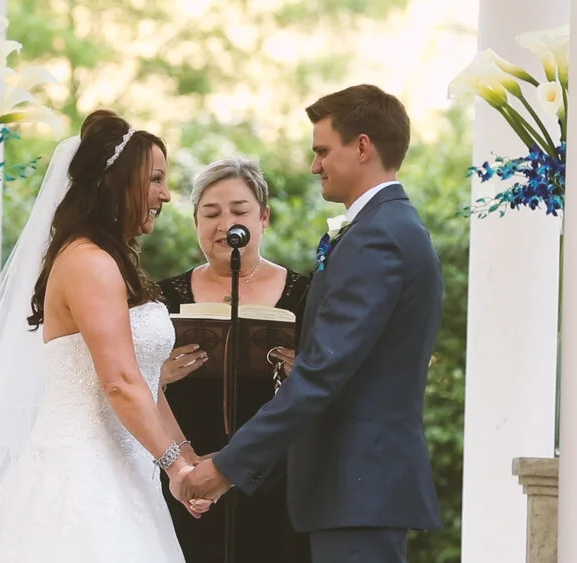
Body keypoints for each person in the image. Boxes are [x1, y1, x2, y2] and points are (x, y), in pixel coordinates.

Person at [176, 85, 445, 563]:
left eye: (322, 150)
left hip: (357, 489)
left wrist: (226, 468)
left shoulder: (378, 238)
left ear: (362, 147)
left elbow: (320, 374)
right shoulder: (384, 228)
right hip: (356, 491)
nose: (314, 165)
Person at [0, 109, 210, 563]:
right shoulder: (89, 263)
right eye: (154, 179)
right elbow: (120, 382)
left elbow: (141, 381)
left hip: (124, 471)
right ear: (117, 182)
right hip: (79, 479)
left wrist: (185, 455)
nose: (165, 194)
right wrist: (175, 466)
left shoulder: (112, 262)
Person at [157, 157, 312, 563]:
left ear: (263, 218)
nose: (225, 224)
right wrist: (161, 375)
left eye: (239, 211)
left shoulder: (308, 294)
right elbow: (127, 383)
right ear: (195, 223)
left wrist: (305, 373)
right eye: (211, 213)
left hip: (275, 477)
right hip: (187, 474)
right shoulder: (162, 297)